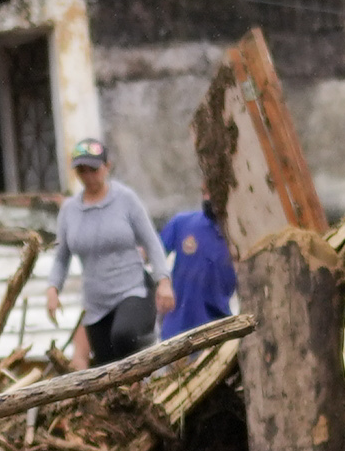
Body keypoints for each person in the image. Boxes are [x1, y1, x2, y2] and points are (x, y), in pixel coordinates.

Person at [44, 138, 171, 366]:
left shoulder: (126, 200)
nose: (89, 176)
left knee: (123, 335)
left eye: (94, 169)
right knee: (108, 366)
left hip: (132, 291)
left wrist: (163, 281)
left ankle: (150, 351)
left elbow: (151, 242)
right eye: (82, 171)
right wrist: (53, 289)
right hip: (96, 304)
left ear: (107, 167)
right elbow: (61, 258)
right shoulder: (69, 211)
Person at [159, 197, 236, 337]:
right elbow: (153, 256)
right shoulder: (182, 223)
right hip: (174, 332)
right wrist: (162, 284)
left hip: (217, 333)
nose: (206, 196)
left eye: (209, 191)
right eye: (204, 192)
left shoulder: (238, 237)